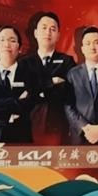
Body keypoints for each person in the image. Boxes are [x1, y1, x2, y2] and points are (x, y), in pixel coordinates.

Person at [19, 11, 76, 144]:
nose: (48, 32)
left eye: (53, 29)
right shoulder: (23, 63)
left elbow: (70, 92)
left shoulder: (67, 61)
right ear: (35, 33)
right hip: (27, 124)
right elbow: (20, 94)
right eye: (44, 28)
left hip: (58, 124)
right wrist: (52, 82)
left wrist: (34, 89)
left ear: (58, 35)